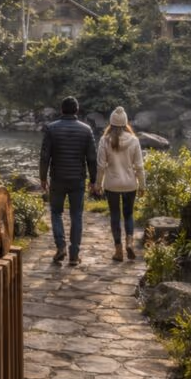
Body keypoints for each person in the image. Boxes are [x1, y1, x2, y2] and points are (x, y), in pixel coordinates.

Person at [39, 96, 97, 266]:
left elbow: (44, 157)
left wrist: (43, 178)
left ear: (62, 110)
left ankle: (60, 247)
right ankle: (74, 254)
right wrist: (93, 180)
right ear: (76, 110)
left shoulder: (51, 128)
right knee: (76, 215)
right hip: (78, 179)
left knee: (56, 213)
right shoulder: (86, 130)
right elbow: (92, 159)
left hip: (57, 179)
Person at [94, 106, 146, 261]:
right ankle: (129, 242)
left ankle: (118, 251)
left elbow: (101, 166)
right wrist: (142, 185)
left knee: (115, 216)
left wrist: (98, 184)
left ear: (111, 123)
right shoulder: (134, 140)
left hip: (112, 185)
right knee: (129, 214)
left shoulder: (105, 140)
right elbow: (139, 166)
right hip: (130, 184)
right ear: (125, 123)